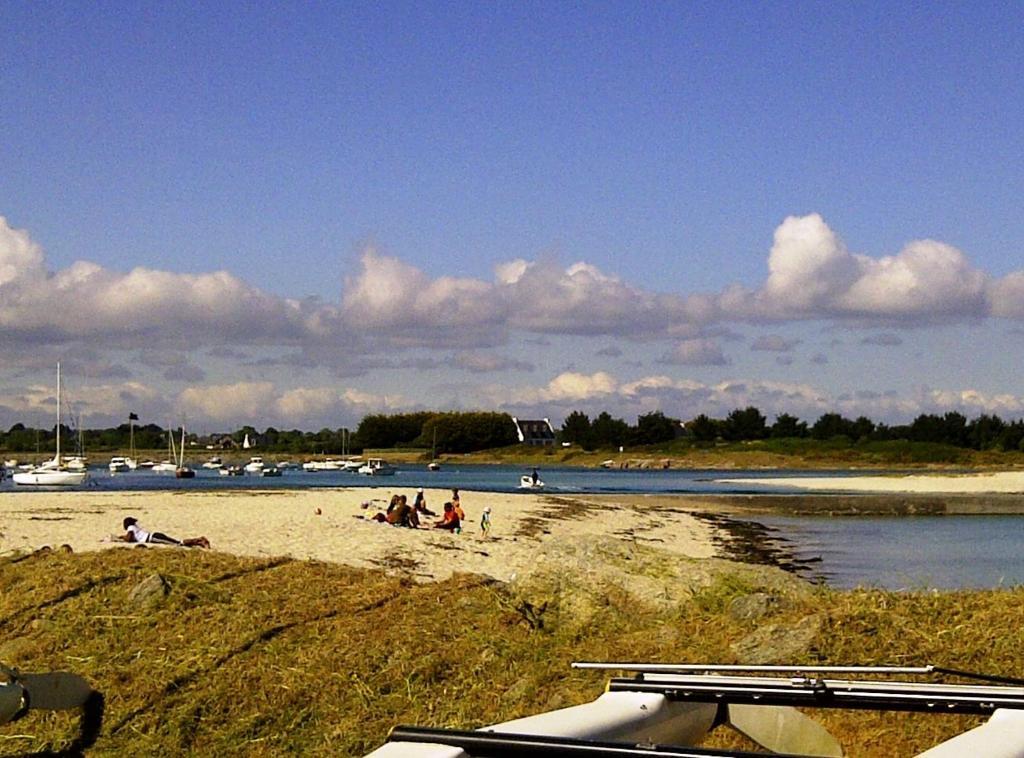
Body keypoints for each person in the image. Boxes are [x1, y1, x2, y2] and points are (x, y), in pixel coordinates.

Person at [120, 517, 209, 548]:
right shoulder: (134, 527)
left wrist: (122, 538)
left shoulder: (130, 527)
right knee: (176, 542)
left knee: (178, 543)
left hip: (153, 538)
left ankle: (199, 540)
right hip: (154, 536)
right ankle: (198, 543)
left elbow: (129, 538)